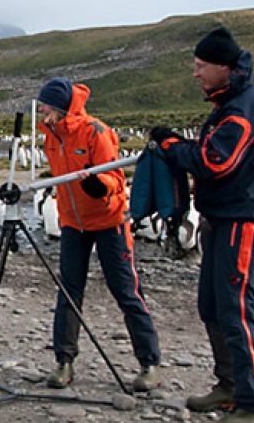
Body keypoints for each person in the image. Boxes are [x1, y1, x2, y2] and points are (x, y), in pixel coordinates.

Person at [150, 26, 254, 423]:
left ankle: (250, 406)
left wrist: (172, 147)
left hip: (243, 221)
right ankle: (229, 385)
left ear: (224, 67)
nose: (196, 74)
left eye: (201, 66)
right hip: (222, 219)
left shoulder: (244, 107)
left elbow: (216, 162)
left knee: (237, 312)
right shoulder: (231, 102)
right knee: (213, 307)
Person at [36, 77, 162, 392]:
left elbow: (115, 176)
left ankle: (149, 363)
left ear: (59, 106)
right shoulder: (50, 135)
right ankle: (64, 362)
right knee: (68, 292)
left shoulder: (95, 131)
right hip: (72, 223)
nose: (41, 109)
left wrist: (99, 186)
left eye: (45, 104)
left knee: (126, 291)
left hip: (109, 220)